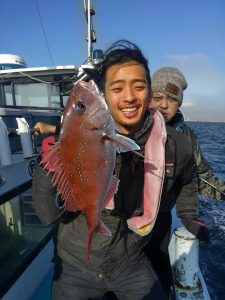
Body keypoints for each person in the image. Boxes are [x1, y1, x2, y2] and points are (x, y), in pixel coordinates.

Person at [32, 40, 200, 300]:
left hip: (131, 259)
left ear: (148, 91)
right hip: (75, 263)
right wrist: (49, 169)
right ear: (105, 94)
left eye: (139, 86)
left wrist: (189, 216)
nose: (130, 96)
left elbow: (188, 178)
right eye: (117, 88)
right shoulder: (70, 141)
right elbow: (48, 216)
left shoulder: (176, 144)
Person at [145, 66, 224, 297]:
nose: (163, 104)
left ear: (179, 103)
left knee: (160, 277)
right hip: (124, 219)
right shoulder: (132, 126)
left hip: (160, 220)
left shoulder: (187, 138)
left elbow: (202, 179)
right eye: (157, 97)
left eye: (171, 99)